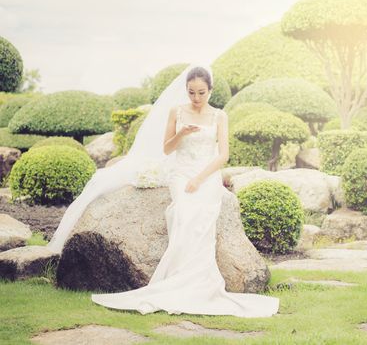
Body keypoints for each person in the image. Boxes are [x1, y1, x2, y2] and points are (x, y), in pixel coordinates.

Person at [47, 64, 280, 318]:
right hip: (180, 173)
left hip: (207, 175)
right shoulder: (177, 112)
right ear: (186, 91)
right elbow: (168, 149)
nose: (196, 98)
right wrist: (181, 133)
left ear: (210, 91)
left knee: (203, 219)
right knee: (183, 213)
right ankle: (178, 280)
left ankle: (200, 284)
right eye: (192, 92)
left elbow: (223, 155)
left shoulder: (219, 116)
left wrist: (200, 179)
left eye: (201, 93)